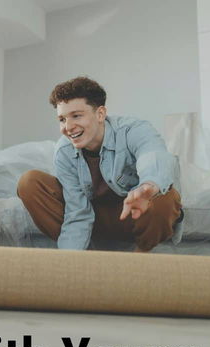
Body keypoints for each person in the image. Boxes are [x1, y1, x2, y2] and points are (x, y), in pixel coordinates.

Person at [17, 76, 182, 252]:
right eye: (62, 119)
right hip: (94, 219)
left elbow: (153, 155)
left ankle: (138, 257)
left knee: (165, 197)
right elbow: (76, 211)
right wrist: (68, 262)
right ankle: (85, 255)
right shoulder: (63, 151)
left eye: (76, 116)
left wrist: (147, 187)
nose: (68, 126)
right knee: (29, 182)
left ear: (100, 114)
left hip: (133, 215)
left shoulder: (133, 129)